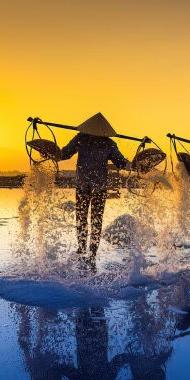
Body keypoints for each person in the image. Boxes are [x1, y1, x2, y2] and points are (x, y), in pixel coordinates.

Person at [59, 113, 130, 268]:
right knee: (89, 220)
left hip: (92, 187)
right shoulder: (86, 139)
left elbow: (63, 154)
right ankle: (86, 251)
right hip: (89, 186)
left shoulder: (88, 139)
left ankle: (88, 251)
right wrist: (51, 152)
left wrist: (132, 165)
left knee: (85, 219)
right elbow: (63, 154)